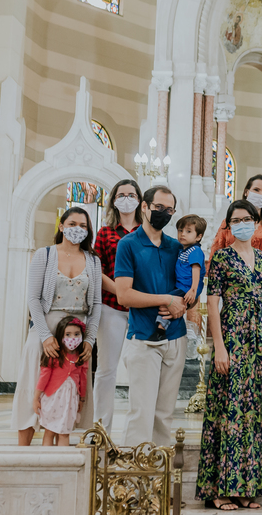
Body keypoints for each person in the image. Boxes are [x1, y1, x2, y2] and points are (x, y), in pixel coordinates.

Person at [196, 200, 262, 510]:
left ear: (257, 222)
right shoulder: (221, 258)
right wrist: (219, 346)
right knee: (227, 412)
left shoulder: (260, 258)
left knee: (251, 414)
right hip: (231, 338)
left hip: (256, 343)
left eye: (248, 218)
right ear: (229, 225)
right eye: (236, 219)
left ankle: (244, 486)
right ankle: (220, 490)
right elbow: (212, 305)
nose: (242, 223)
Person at [12, 207, 100, 445]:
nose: (77, 229)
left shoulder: (93, 261)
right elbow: (33, 298)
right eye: (72, 224)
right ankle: (22, 452)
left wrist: (90, 340)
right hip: (46, 326)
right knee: (33, 384)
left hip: (77, 333)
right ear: (61, 226)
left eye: (83, 226)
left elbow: (97, 304)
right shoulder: (45, 255)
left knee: (70, 389)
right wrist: (44, 336)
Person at [114, 185, 188, 447]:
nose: (164, 214)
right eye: (159, 208)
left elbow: (188, 287)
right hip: (144, 337)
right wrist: (166, 300)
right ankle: (133, 483)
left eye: (169, 210)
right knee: (141, 413)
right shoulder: (128, 245)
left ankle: (157, 478)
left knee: (164, 415)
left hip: (176, 337)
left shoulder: (176, 247)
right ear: (144, 207)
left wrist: (186, 301)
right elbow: (123, 295)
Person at [93, 179, 141, 433]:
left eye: (131, 194)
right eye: (121, 194)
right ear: (113, 200)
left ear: (139, 200)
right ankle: (101, 428)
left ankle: (137, 430)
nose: (126, 198)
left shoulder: (147, 233)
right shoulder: (105, 233)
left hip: (141, 311)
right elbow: (96, 269)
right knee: (106, 369)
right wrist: (122, 293)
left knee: (139, 369)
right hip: (112, 307)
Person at [215, 175, 262, 294]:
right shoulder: (229, 221)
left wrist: (252, 278)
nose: (260, 195)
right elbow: (216, 253)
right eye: (256, 190)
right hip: (231, 284)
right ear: (247, 192)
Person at [33, 316, 89, 446]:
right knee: (49, 431)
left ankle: (63, 463)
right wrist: (36, 398)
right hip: (52, 399)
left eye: (76, 334)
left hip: (70, 402)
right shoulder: (54, 354)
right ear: (61, 336)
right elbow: (44, 377)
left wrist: (82, 399)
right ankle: (47, 463)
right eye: (68, 334)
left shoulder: (82, 357)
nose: (72, 338)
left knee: (64, 433)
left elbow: (83, 380)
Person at [175, 214, 207, 331]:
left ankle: (162, 325)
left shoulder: (195, 251)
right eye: (180, 230)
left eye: (188, 231)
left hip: (188, 288)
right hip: (182, 286)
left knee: (170, 302)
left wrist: (193, 291)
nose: (183, 234)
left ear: (198, 237)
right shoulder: (183, 249)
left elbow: (196, 270)